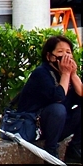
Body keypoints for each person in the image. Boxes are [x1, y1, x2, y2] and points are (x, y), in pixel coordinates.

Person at [17, 35, 81, 163]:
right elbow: (58, 97)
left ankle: (74, 150)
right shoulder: (41, 73)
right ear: (49, 56)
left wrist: (73, 74)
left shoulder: (65, 74)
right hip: (35, 127)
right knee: (58, 109)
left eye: (68, 52)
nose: (65, 56)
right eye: (60, 52)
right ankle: (50, 152)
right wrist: (66, 74)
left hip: (58, 127)